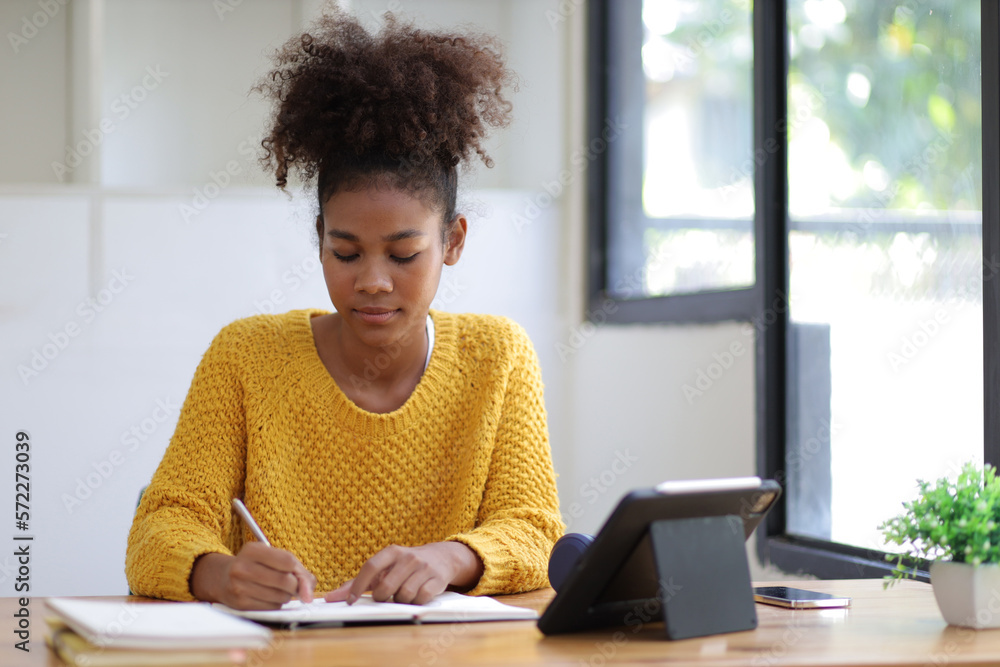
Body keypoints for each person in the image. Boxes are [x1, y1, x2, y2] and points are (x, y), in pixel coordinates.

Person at [124, 9, 564, 611]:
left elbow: (536, 530)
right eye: (346, 252)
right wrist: (219, 575)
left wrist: (448, 557)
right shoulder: (247, 356)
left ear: (454, 241)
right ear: (320, 237)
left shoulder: (498, 355)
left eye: (405, 254)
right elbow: (159, 529)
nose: (374, 282)